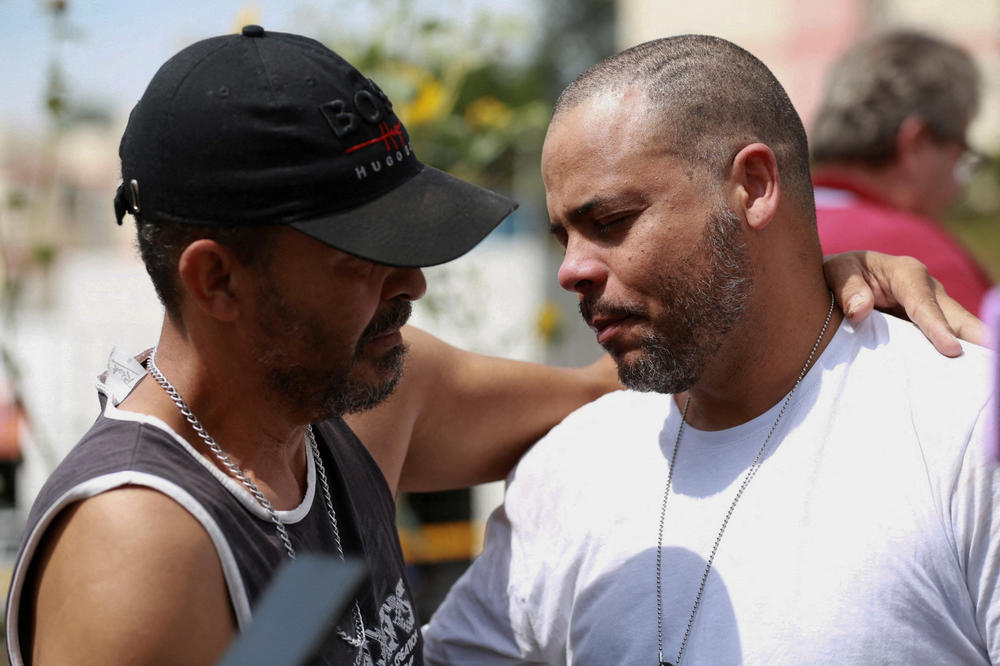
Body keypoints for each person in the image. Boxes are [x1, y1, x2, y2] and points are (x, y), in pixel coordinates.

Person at [1, 27, 983, 666]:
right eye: (366, 258)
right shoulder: (142, 549)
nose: (413, 285)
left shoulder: (357, 410)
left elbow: (633, 382)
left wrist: (792, 276)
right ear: (217, 281)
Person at [422, 34, 999, 665]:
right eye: (563, 236)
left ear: (753, 185)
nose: (572, 270)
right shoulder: (570, 465)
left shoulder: (962, 427)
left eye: (611, 221)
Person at [811, 30, 993, 315]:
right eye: (961, 154)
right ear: (917, 142)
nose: (958, 187)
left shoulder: (769, 222)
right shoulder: (920, 253)